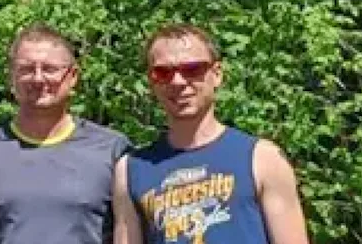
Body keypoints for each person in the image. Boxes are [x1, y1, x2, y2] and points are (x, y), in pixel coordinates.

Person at [112, 24, 309, 244]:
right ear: (151, 81)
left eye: (192, 69)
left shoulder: (262, 158)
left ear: (216, 75)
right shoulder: (130, 169)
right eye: (163, 72)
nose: (177, 81)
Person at [0, 24, 130, 244]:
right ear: (12, 77)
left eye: (49, 69)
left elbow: (130, 234)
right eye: (26, 69)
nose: (38, 79)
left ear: (73, 76)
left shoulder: (112, 149)